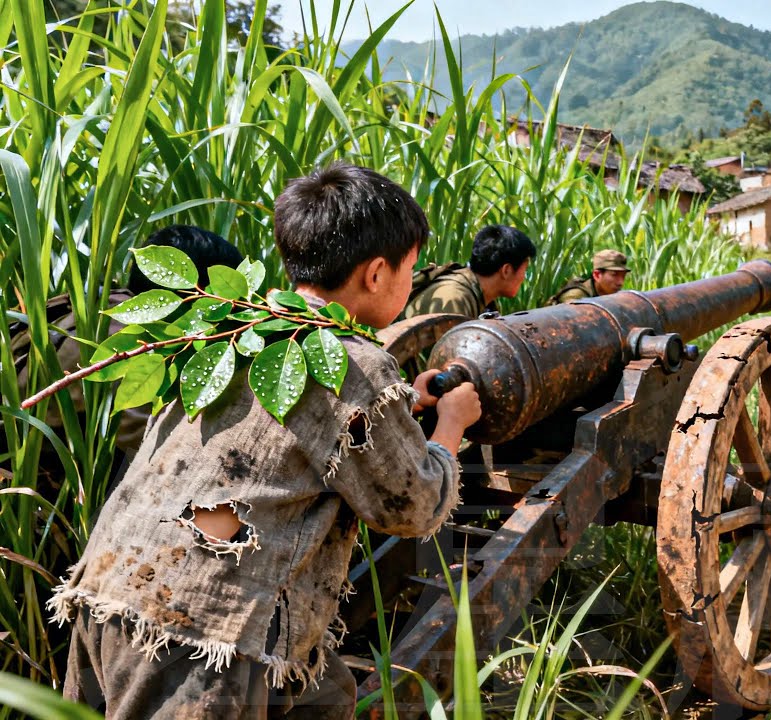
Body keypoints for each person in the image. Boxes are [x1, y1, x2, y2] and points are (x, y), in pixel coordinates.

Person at [52, 162, 483, 718]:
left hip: (112, 589)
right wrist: (451, 425)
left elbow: (298, 427)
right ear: (377, 273)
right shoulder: (352, 362)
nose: (411, 279)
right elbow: (413, 507)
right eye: (410, 267)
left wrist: (403, 406)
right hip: (202, 630)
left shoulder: (230, 329)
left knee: (328, 697)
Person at [9, 226, 245, 477]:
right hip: (31, 468)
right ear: (197, 291)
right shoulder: (131, 338)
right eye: (228, 297)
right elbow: (148, 445)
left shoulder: (104, 305)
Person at [403, 224, 536, 318]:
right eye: (524, 269)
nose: (524, 277)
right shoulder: (454, 299)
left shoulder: (483, 300)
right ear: (506, 270)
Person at [546, 249, 630, 304]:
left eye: (623, 276)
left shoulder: (612, 295)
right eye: (614, 275)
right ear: (597, 275)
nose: (621, 282)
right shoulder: (576, 297)